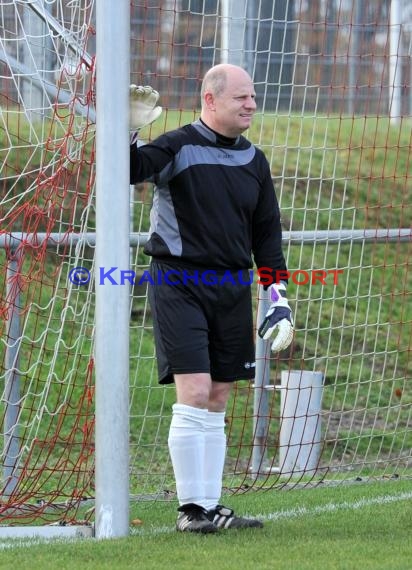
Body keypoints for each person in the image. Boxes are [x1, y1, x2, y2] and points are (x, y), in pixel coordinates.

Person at [129, 64, 294, 533]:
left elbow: (267, 235)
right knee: (196, 390)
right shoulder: (177, 145)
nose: (251, 104)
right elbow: (130, 170)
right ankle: (189, 510)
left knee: (218, 395)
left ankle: (209, 505)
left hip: (230, 287)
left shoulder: (254, 161)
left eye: (254, 96)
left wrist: (276, 295)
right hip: (178, 281)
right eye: (241, 97)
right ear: (210, 100)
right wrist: (128, 130)